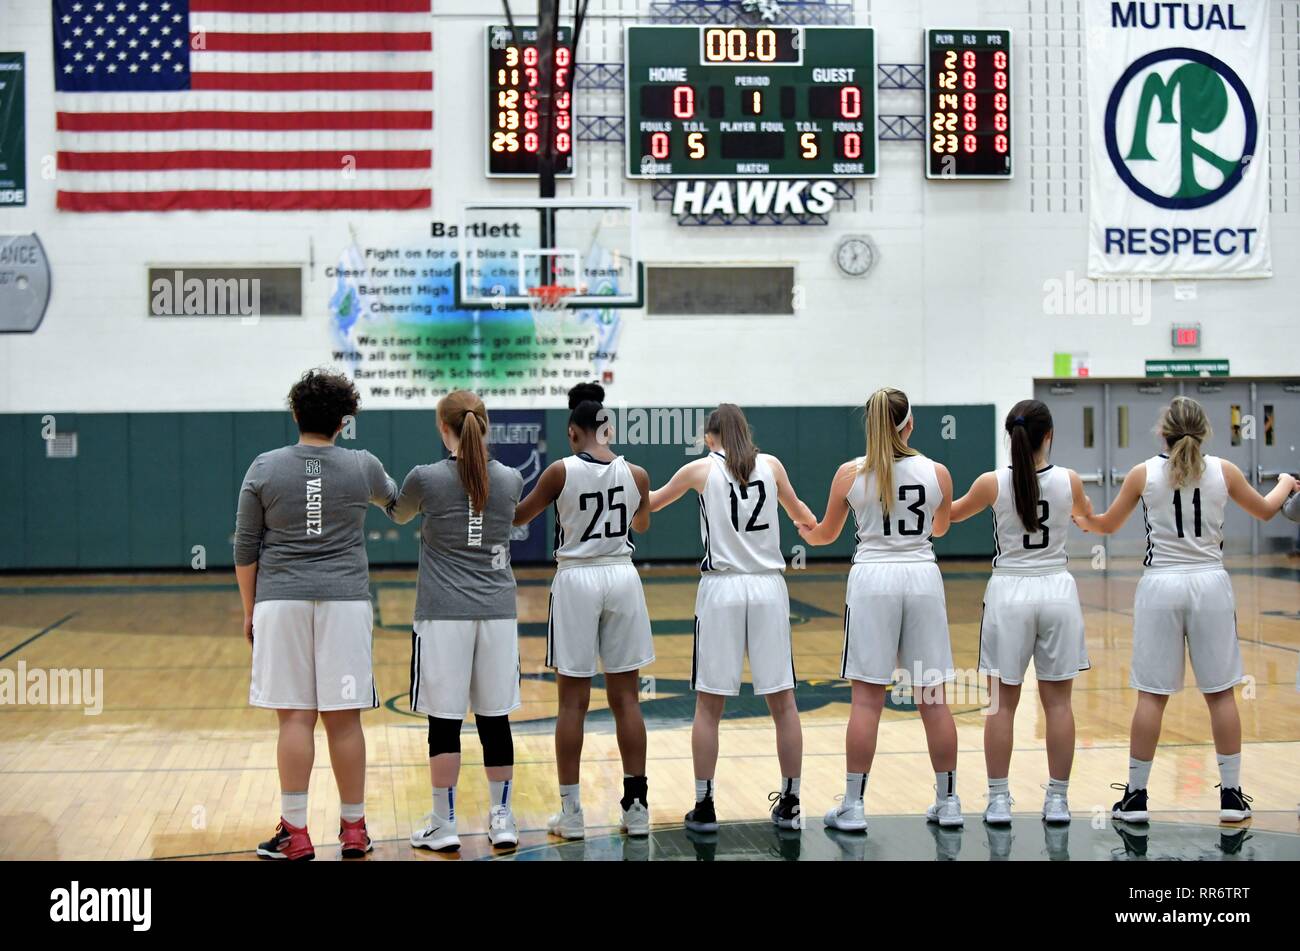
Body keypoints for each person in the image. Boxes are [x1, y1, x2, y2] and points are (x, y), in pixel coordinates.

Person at [1076, 396, 1296, 823]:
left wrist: (1083, 516)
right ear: (1205, 430)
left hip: (1161, 585)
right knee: (1220, 694)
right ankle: (1231, 797)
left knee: (1152, 695)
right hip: (1210, 584)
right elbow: (1268, 511)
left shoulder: (1142, 474)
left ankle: (1136, 798)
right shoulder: (1225, 471)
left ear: (1163, 431)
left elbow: (1105, 525)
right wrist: (1286, 481)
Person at [235, 369, 397, 861]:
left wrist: (250, 612)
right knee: (344, 722)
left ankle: (296, 833)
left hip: (279, 603)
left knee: (296, 718)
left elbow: (246, 547)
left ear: (295, 414)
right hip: (345, 602)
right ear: (345, 421)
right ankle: (353, 830)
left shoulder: (263, 467)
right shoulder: (363, 465)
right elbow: (399, 504)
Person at [799, 387, 962, 831]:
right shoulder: (938, 472)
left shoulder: (849, 474)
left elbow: (825, 535)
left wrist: (806, 530)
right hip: (921, 576)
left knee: (867, 700)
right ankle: (948, 803)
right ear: (909, 423)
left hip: (872, 579)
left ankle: (853, 807)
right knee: (933, 696)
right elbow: (941, 528)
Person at [650, 404, 816, 833]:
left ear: (710, 437)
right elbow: (803, 515)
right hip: (767, 587)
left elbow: (648, 503)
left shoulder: (699, 471)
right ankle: (792, 803)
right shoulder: (772, 465)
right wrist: (807, 523)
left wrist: (628, 479)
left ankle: (704, 807)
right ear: (745, 431)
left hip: (722, 589)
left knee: (708, 705)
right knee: (783, 702)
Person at [513, 382, 654, 840]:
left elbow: (519, 517)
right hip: (621, 574)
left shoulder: (559, 471)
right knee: (627, 700)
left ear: (574, 432)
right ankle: (636, 810)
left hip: (576, 578)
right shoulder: (638, 474)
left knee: (572, 703)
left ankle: (572, 814)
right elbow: (642, 524)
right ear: (608, 431)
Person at [387, 390, 525, 852]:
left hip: (443, 615)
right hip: (498, 613)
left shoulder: (424, 478)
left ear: (443, 428)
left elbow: (398, 512)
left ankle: (444, 822)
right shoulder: (511, 478)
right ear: (483, 425)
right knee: (494, 718)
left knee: (443, 722)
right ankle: (501, 820)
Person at [948, 399, 1092, 826]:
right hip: (1057, 591)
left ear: (1010, 436)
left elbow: (947, 518)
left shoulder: (991, 483)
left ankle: (997, 801)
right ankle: (1058, 801)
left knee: (1001, 706)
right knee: (1059, 705)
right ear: (1048, 436)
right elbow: (1090, 520)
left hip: (1009, 590)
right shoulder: (1070, 481)